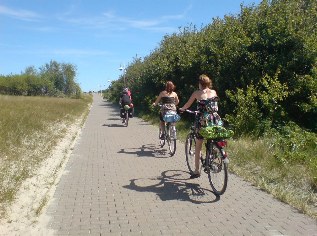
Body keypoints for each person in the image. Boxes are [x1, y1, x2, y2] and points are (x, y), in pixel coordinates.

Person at [179, 74, 218, 179]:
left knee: (198, 145)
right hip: (215, 120)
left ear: (200, 83)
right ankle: (213, 154)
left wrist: (182, 109)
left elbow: (187, 105)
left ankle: (197, 171)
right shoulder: (214, 92)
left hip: (203, 121)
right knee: (212, 138)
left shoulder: (197, 93)